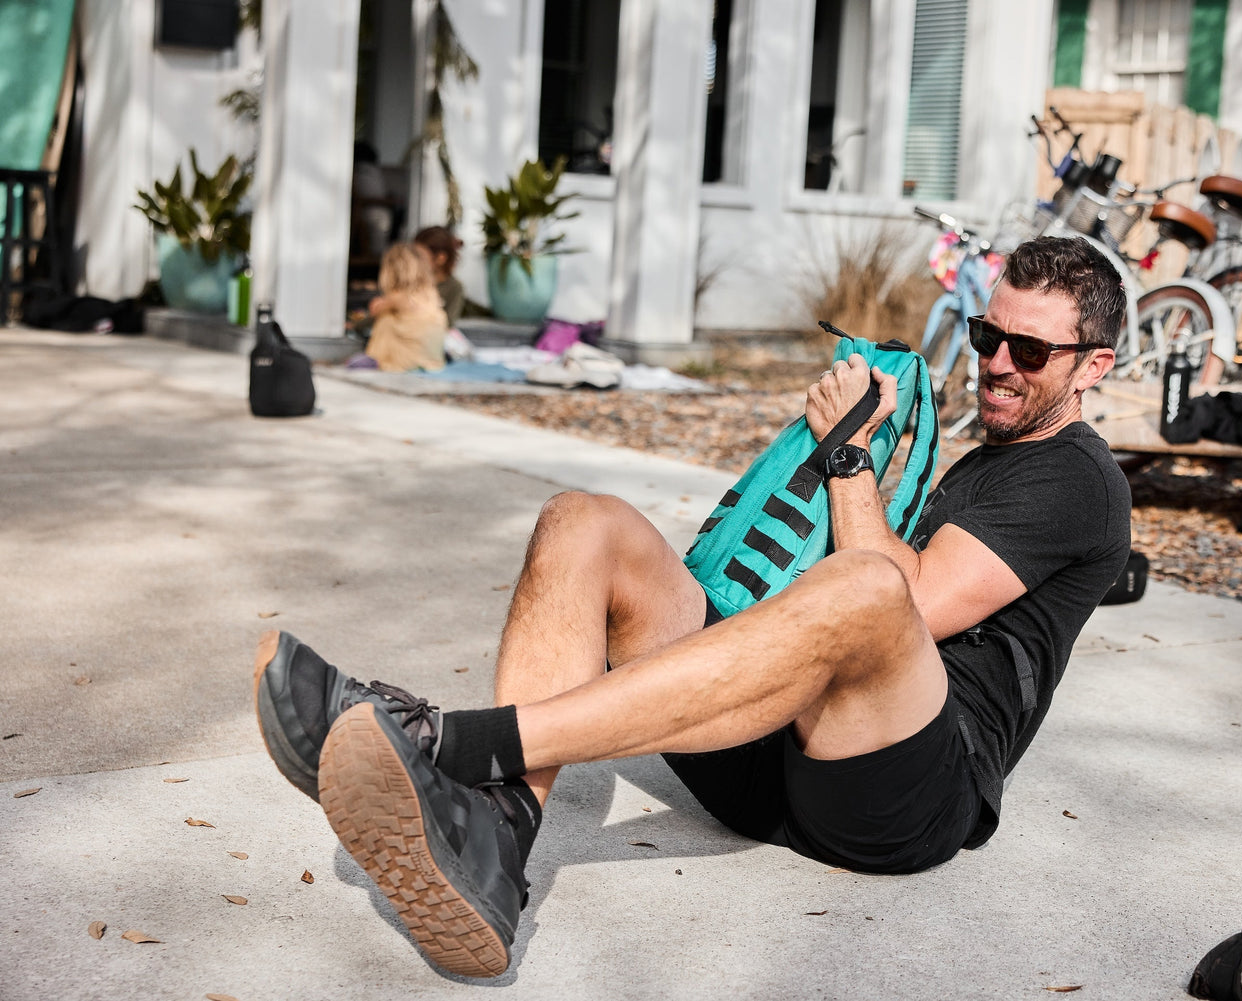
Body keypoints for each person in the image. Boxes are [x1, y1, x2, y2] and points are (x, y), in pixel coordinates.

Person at [253, 236, 1132, 978]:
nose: (997, 365)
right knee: (583, 521)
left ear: (1095, 365)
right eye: (988, 336)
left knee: (867, 588)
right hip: (780, 760)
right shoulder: (991, 457)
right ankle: (497, 837)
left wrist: (849, 456)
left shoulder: (1077, 479)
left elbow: (903, 600)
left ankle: (453, 741)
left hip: (903, 796)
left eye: (1029, 351)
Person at [362, 242, 448, 373]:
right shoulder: (429, 291)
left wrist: (381, 304)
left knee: (386, 319)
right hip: (433, 358)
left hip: (407, 360)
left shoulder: (398, 296)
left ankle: (376, 359)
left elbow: (375, 309)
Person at [413, 225, 466, 329]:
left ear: (441, 258)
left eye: (420, 256)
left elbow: (448, 322)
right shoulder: (412, 279)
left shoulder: (455, 287)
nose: (415, 260)